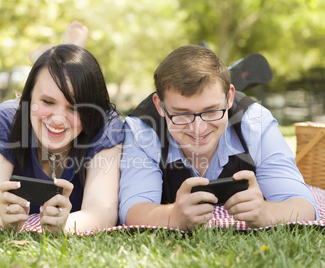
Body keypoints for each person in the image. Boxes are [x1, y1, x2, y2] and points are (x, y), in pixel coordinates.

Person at [119, 45, 318, 230]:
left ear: (230, 97)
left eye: (211, 111)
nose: (198, 129)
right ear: (160, 106)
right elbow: (132, 211)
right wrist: (172, 216)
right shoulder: (142, 128)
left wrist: (266, 213)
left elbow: (304, 206)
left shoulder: (255, 122)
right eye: (181, 114)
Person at [0, 22, 124, 234]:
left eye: (74, 107)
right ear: (27, 97)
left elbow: (103, 212)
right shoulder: (5, 120)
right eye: (47, 102)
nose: (58, 119)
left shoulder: (105, 125)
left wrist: (65, 227)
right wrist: (1, 218)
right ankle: (68, 52)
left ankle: (70, 52)